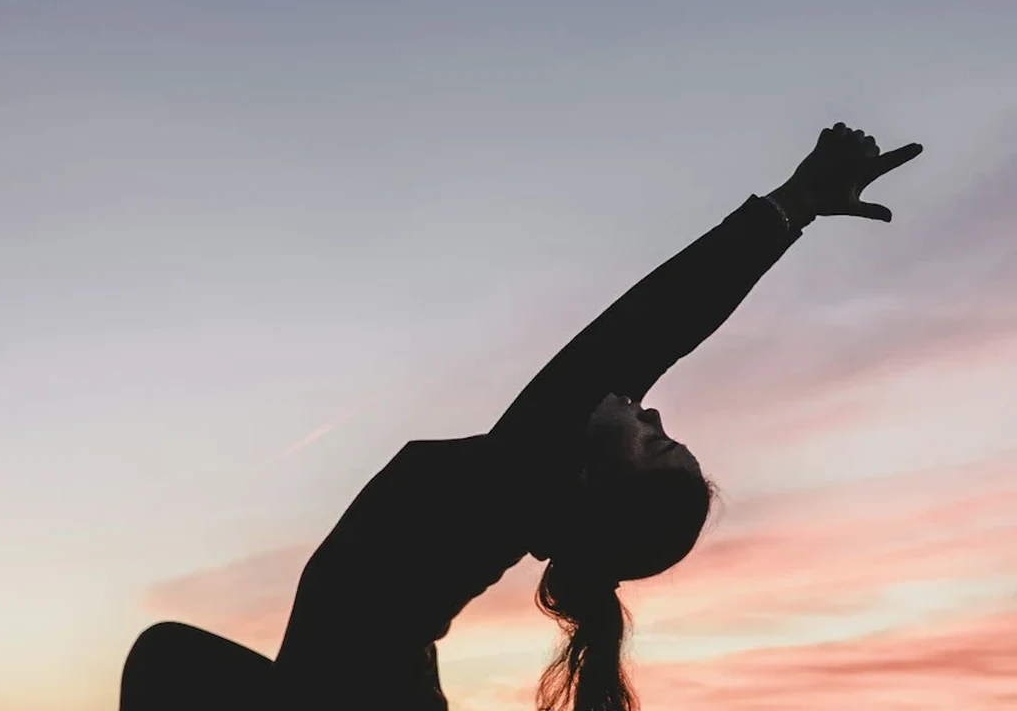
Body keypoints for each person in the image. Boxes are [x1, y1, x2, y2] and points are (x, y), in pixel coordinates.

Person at [120, 122, 924, 711]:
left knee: (167, 666)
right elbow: (643, 342)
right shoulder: (522, 491)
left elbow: (651, 326)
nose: (648, 406)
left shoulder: (521, 476)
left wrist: (791, 205)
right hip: (330, 693)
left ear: (590, 483)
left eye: (653, 441)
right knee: (169, 662)